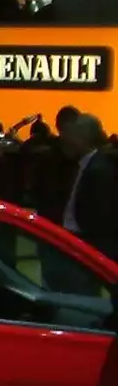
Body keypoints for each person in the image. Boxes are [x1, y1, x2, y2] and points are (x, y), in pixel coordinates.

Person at [59, 113, 118, 269]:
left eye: (72, 134)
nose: (66, 139)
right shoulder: (86, 164)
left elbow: (102, 217)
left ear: (84, 137)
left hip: (88, 248)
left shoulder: (99, 169)